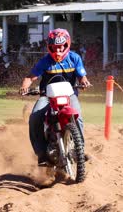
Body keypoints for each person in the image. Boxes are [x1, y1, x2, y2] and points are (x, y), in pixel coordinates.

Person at [19, 28, 91, 166]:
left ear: (67, 45)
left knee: (79, 118)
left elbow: (82, 76)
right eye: (54, 48)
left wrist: (84, 82)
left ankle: (79, 150)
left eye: (60, 47)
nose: (57, 51)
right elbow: (30, 77)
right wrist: (25, 86)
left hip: (69, 96)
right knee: (34, 117)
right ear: (49, 47)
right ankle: (41, 153)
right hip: (47, 96)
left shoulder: (75, 58)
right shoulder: (44, 61)